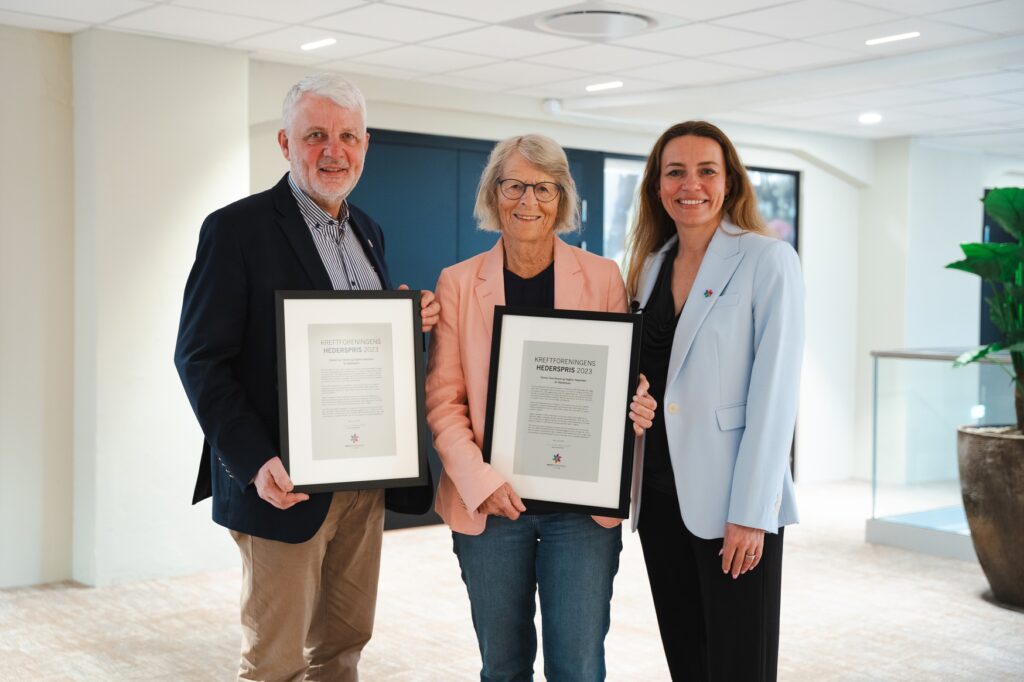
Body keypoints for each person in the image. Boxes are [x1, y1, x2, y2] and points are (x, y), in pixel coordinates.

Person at [174, 73, 439, 682]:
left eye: (347, 136)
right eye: (315, 134)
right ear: (284, 144)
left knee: (344, 645)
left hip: (362, 483)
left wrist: (402, 323)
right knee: (276, 661)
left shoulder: (368, 230)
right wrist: (252, 459)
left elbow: (350, 348)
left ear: (365, 145)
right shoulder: (235, 230)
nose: (333, 150)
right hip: (282, 482)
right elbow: (200, 358)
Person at [425, 133, 657, 682]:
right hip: (490, 508)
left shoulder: (602, 277)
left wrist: (636, 404)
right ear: (493, 193)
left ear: (562, 198)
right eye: (514, 185)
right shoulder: (458, 284)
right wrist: (478, 479)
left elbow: (617, 379)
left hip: (580, 513)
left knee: (577, 667)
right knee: (502, 667)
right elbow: (444, 401)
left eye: (544, 188)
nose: (528, 201)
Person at [624, 121, 804, 681]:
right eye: (675, 171)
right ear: (658, 186)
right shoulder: (651, 266)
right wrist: (636, 400)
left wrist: (752, 513)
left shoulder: (767, 260)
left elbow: (775, 397)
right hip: (657, 499)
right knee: (687, 660)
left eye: (707, 171)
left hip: (732, 505)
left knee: (738, 666)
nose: (690, 184)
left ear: (729, 184)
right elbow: (653, 375)